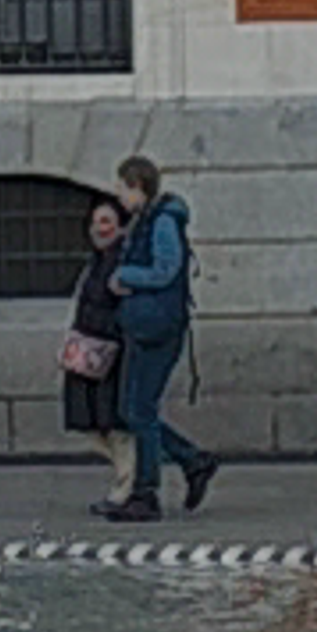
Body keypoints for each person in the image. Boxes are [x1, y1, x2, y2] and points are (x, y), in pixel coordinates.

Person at [107, 157, 212, 518]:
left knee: (141, 412)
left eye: (122, 188)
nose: (119, 196)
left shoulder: (163, 220)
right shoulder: (147, 218)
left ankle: (146, 492)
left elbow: (166, 268)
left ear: (138, 186)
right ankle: (192, 461)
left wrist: (126, 275)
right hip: (144, 325)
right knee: (131, 411)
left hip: (159, 327)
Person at [62, 192, 130, 502]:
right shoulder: (96, 261)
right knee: (90, 423)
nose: (100, 228)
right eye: (95, 222)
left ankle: (125, 484)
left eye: (106, 221)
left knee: (113, 424)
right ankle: (126, 476)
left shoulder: (121, 260)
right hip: (87, 350)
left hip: (108, 351)